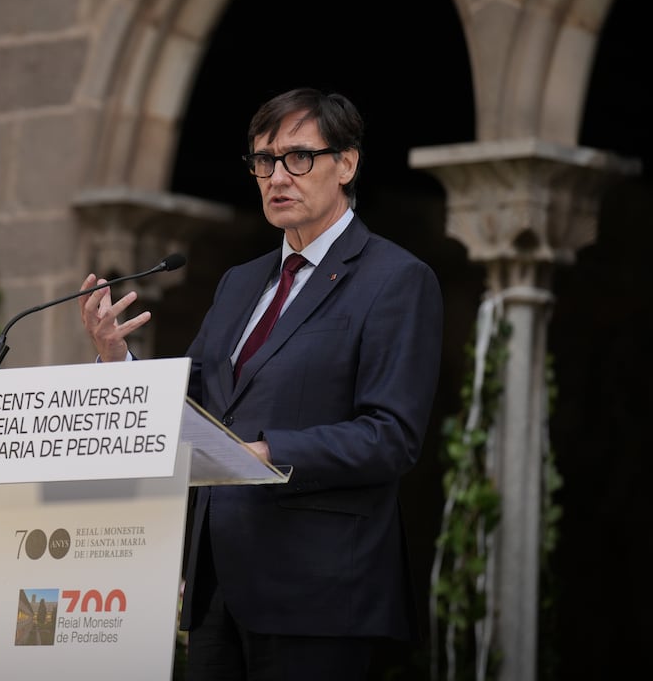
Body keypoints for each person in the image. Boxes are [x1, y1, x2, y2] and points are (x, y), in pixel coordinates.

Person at [78, 87, 443, 680]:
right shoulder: (240, 283)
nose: (278, 176)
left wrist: (266, 454)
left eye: (299, 157)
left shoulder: (396, 278)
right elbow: (193, 400)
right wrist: (116, 360)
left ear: (346, 164)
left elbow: (391, 436)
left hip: (318, 590)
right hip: (218, 584)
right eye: (264, 160)